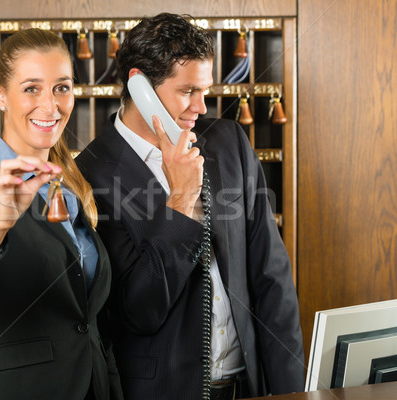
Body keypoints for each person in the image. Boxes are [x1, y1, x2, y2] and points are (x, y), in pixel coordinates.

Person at [75, 13, 304, 400]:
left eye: (204, 90)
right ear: (140, 86)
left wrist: (292, 392)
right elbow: (138, 309)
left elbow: (272, 278)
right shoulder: (90, 175)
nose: (201, 106)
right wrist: (181, 201)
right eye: (187, 91)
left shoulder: (228, 142)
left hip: (248, 386)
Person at [0, 28, 123, 400]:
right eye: (32, 88)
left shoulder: (75, 184)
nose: (50, 106)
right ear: (0, 95)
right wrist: (0, 219)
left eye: (62, 87)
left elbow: (89, 321)